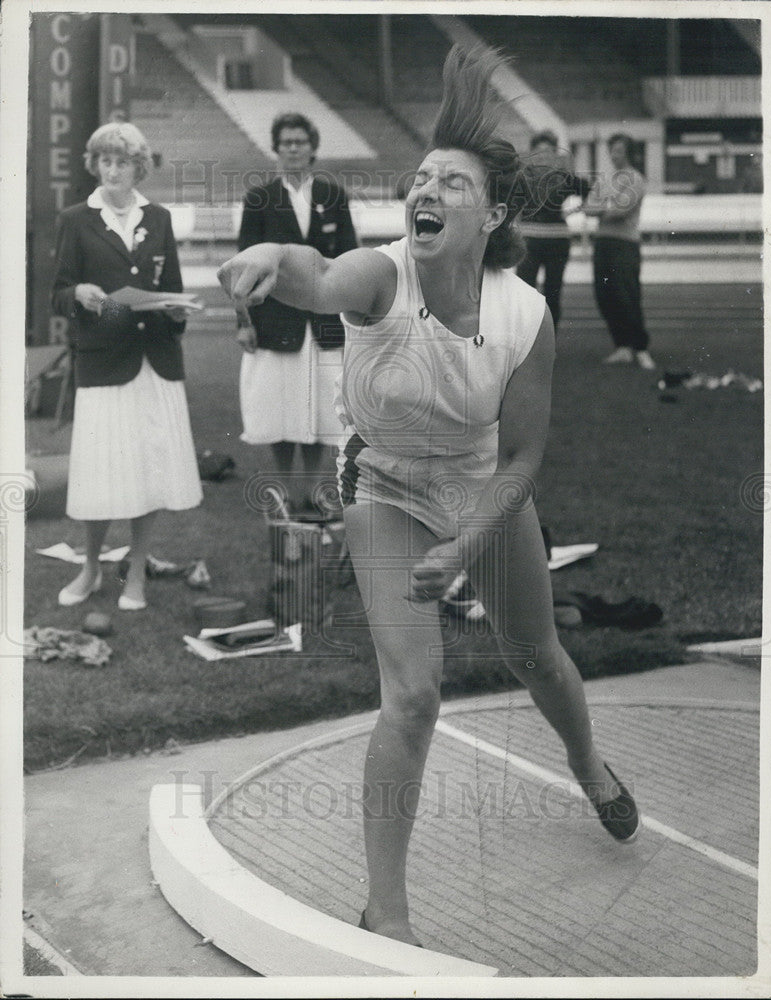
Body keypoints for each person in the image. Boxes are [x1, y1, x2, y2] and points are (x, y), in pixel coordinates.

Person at [218, 45, 640, 948]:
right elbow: (312, 273)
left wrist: (467, 542)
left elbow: (523, 455)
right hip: (383, 483)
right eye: (420, 178)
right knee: (413, 693)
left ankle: (590, 766)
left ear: (493, 213)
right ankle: (387, 910)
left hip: (484, 484)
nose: (427, 188)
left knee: (537, 656)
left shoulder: (525, 314)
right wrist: (267, 253)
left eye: (451, 181)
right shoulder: (381, 275)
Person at [51, 122, 202, 611]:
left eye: (123, 162)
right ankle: (92, 567)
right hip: (104, 363)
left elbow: (171, 286)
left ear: (139, 168)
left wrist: (176, 311)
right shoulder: (76, 219)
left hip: (154, 362)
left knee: (148, 471)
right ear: (95, 165)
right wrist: (78, 293)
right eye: (105, 161)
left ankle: (135, 572)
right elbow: (57, 292)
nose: (113, 171)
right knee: (99, 472)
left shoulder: (158, 218)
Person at [236, 112, 358, 514]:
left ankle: (311, 489)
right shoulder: (259, 198)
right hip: (276, 319)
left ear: (312, 148)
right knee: (281, 409)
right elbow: (243, 265)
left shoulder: (333, 195)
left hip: (324, 319)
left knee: (321, 409)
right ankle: (286, 492)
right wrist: (244, 323)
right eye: (285, 143)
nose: (293, 149)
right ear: (276, 149)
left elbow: (349, 257)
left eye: (299, 142)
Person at [583, 133, 656, 369]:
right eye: (612, 150)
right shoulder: (605, 179)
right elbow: (588, 207)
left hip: (625, 244)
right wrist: (606, 206)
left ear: (630, 153)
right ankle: (622, 346)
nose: (614, 155)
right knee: (604, 295)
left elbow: (620, 210)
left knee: (627, 295)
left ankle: (641, 348)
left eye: (619, 151)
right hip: (603, 242)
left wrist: (602, 206)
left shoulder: (636, 178)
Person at [517, 130, 590, 332]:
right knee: (524, 293)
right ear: (532, 154)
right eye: (539, 152)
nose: (543, 157)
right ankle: (525, 341)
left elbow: (589, 191)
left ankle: (549, 341)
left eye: (548, 152)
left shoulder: (564, 178)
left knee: (552, 295)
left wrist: (573, 211)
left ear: (555, 155)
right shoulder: (522, 178)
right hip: (529, 242)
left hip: (557, 241)